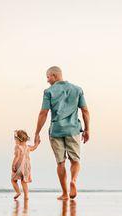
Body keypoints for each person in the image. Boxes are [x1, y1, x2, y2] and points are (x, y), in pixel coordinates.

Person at [34, 66, 91, 200]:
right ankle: (74, 181)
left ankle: (65, 193)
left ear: (54, 75)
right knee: (75, 160)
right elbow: (85, 111)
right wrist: (87, 129)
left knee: (60, 163)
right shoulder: (77, 89)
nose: (47, 81)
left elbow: (43, 113)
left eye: (48, 77)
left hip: (56, 130)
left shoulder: (48, 92)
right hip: (73, 129)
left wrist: (37, 132)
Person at [11, 129, 38, 200]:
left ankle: (18, 192)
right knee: (24, 182)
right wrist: (37, 143)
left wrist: (13, 165)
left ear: (18, 140)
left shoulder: (18, 147)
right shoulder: (28, 147)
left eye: (15, 139)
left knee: (13, 180)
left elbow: (17, 157)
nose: (15, 141)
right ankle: (26, 196)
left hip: (19, 166)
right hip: (26, 167)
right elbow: (34, 148)